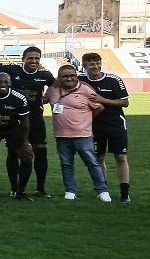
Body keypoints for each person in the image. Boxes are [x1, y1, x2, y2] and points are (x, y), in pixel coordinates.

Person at [0, 46, 55, 198]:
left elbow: (55, 85)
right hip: (15, 120)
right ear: (23, 59)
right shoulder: (12, 70)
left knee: (40, 151)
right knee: (13, 152)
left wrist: (47, 96)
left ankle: (40, 188)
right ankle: (14, 188)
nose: (33, 61)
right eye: (30, 58)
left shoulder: (45, 75)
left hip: (35, 119)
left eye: (36, 58)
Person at [47, 64, 110, 201]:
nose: (69, 78)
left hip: (83, 135)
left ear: (76, 75)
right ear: (59, 78)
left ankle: (102, 190)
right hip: (61, 135)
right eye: (65, 76)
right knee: (66, 164)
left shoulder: (86, 90)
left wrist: (85, 120)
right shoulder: (52, 90)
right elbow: (43, 101)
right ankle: (70, 190)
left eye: (72, 75)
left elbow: (99, 107)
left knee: (92, 163)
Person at [80, 51, 131, 202]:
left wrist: (102, 100)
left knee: (121, 157)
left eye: (98, 63)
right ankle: (104, 190)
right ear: (84, 65)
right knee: (99, 158)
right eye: (91, 64)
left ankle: (124, 193)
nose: (95, 66)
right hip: (94, 125)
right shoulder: (80, 80)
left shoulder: (113, 79)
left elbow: (124, 102)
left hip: (115, 124)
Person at [0, 71, 32, 202]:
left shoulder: (19, 97)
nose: (3, 84)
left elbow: (25, 122)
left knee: (26, 158)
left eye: (6, 82)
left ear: (10, 83)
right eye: (0, 81)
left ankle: (19, 191)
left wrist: (25, 141)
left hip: (13, 130)